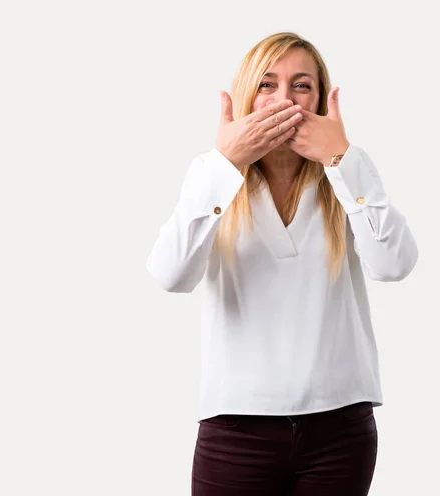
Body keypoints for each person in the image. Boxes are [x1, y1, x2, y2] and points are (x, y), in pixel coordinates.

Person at [146, 31, 419, 496]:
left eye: (301, 85)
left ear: (319, 99)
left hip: (340, 426)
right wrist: (226, 164)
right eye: (267, 84)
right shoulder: (211, 173)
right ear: (248, 94)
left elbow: (393, 264)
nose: (283, 100)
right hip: (235, 426)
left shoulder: (347, 170)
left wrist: (341, 158)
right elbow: (171, 275)